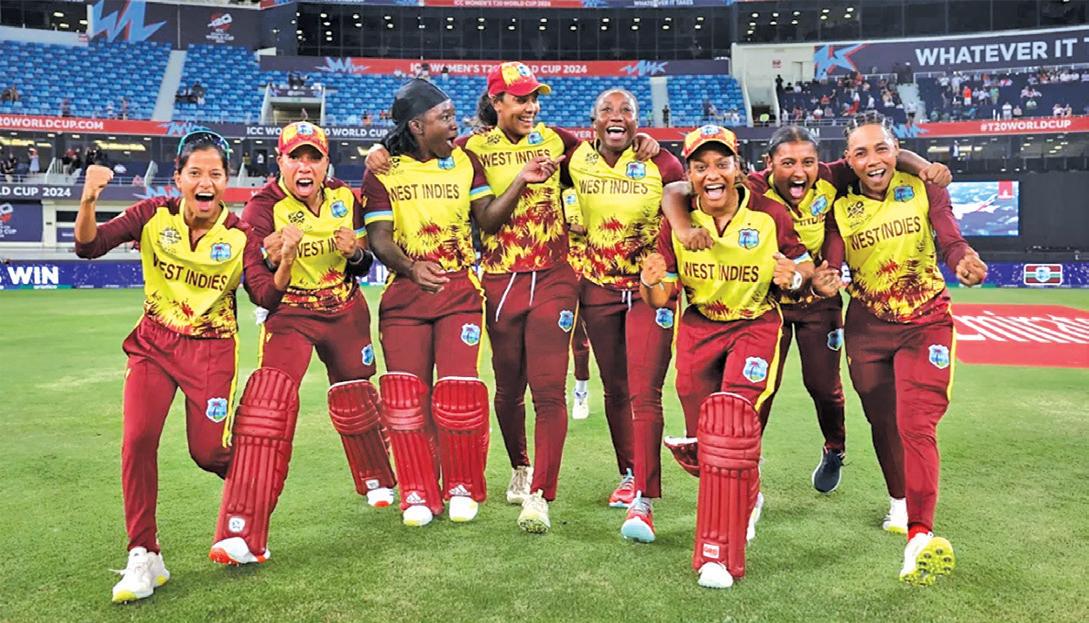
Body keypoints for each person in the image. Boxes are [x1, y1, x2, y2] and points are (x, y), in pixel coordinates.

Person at [366, 62, 659, 534]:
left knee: (549, 389)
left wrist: (644, 141)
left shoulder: (558, 141)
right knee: (507, 389)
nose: (531, 107)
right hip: (501, 279)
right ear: (496, 102)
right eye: (521, 99)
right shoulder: (469, 150)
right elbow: (427, 161)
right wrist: (383, 150)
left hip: (556, 276)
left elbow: (608, 148)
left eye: (534, 98)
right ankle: (520, 465)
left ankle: (541, 493)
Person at [661, 126, 951, 500]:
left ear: (819, 163)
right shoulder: (750, 186)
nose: (799, 172)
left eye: (807, 162)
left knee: (823, 386)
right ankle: (746, 464)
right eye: (788, 163)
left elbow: (887, 157)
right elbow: (675, 190)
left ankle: (834, 449)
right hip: (772, 304)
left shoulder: (830, 177)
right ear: (768, 164)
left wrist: (924, 166)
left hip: (820, 303)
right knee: (761, 392)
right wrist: (683, 227)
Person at [360, 79, 556, 527]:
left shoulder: (465, 161)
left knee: (459, 392)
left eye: (453, 116)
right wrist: (411, 268)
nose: (455, 125)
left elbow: (487, 219)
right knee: (407, 399)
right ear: (417, 126)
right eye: (445, 118)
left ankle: (462, 487)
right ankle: (417, 490)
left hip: (460, 293)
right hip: (405, 298)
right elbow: (379, 238)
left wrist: (521, 182)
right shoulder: (383, 170)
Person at [74, 131, 250, 603]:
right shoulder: (151, 215)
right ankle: (144, 554)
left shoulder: (239, 233)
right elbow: (90, 246)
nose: (205, 182)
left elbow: (266, 293)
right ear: (178, 178)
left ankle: (252, 506)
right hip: (154, 346)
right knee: (137, 440)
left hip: (211, 350)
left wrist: (282, 258)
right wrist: (89, 200)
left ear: (226, 181)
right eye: (195, 173)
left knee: (209, 453)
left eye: (215, 174)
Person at [208, 121, 395, 566]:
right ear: (281, 162)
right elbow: (255, 282)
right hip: (291, 314)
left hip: (344, 310)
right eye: (296, 158)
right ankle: (242, 532)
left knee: (356, 394)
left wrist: (355, 254)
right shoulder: (262, 207)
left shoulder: (344, 197)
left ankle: (377, 479)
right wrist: (272, 258)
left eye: (314, 157)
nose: (305, 166)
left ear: (327, 163)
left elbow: (364, 264)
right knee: (266, 411)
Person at [812, 112, 987, 586]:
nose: (873, 160)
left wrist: (964, 258)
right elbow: (832, 260)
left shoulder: (923, 185)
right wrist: (826, 278)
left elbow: (949, 237)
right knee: (883, 420)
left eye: (882, 149)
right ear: (848, 161)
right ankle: (898, 500)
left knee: (916, 423)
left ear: (896, 151)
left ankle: (920, 536)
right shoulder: (839, 205)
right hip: (867, 328)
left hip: (926, 323)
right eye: (861, 152)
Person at [638, 125, 814, 589]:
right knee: (705, 440)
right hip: (699, 328)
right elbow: (660, 297)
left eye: (722, 164)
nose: (712, 174)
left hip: (755, 325)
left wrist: (795, 278)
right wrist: (651, 282)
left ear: (738, 169)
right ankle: (748, 493)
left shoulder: (769, 214)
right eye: (701, 166)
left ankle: (721, 547)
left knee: (731, 426)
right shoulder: (677, 222)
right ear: (690, 173)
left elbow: (803, 266)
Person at [561, 89, 686, 531]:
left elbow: (685, 207)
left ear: (638, 120)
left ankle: (645, 494)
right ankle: (630, 473)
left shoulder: (662, 162)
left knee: (644, 388)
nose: (617, 116)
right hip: (599, 289)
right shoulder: (574, 159)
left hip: (651, 289)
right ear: (593, 121)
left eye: (626, 110)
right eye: (607, 110)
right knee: (615, 387)